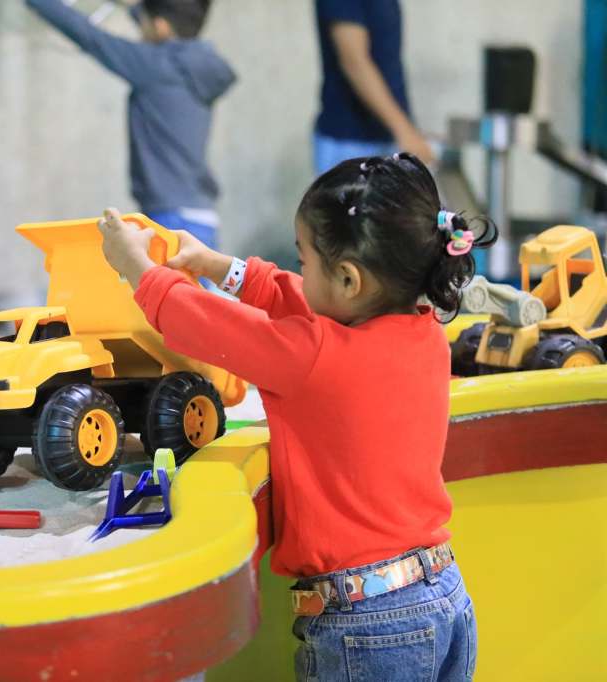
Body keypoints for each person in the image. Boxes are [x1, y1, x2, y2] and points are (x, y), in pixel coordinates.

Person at [97, 153, 494, 681]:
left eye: (304, 260)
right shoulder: (424, 335)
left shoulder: (312, 356)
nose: (298, 273)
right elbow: (307, 304)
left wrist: (137, 269)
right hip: (443, 594)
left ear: (349, 279)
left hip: (367, 624)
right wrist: (218, 266)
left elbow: (205, 325)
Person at [26, 0, 236, 249]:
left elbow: (90, 36)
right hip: (202, 217)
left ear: (160, 26)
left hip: (171, 220)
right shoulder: (199, 64)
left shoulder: (156, 66)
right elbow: (158, 20)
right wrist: (136, 7)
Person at [314, 0, 434, 175]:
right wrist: (405, 131)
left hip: (384, 139)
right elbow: (354, 63)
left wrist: (409, 130)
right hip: (351, 143)